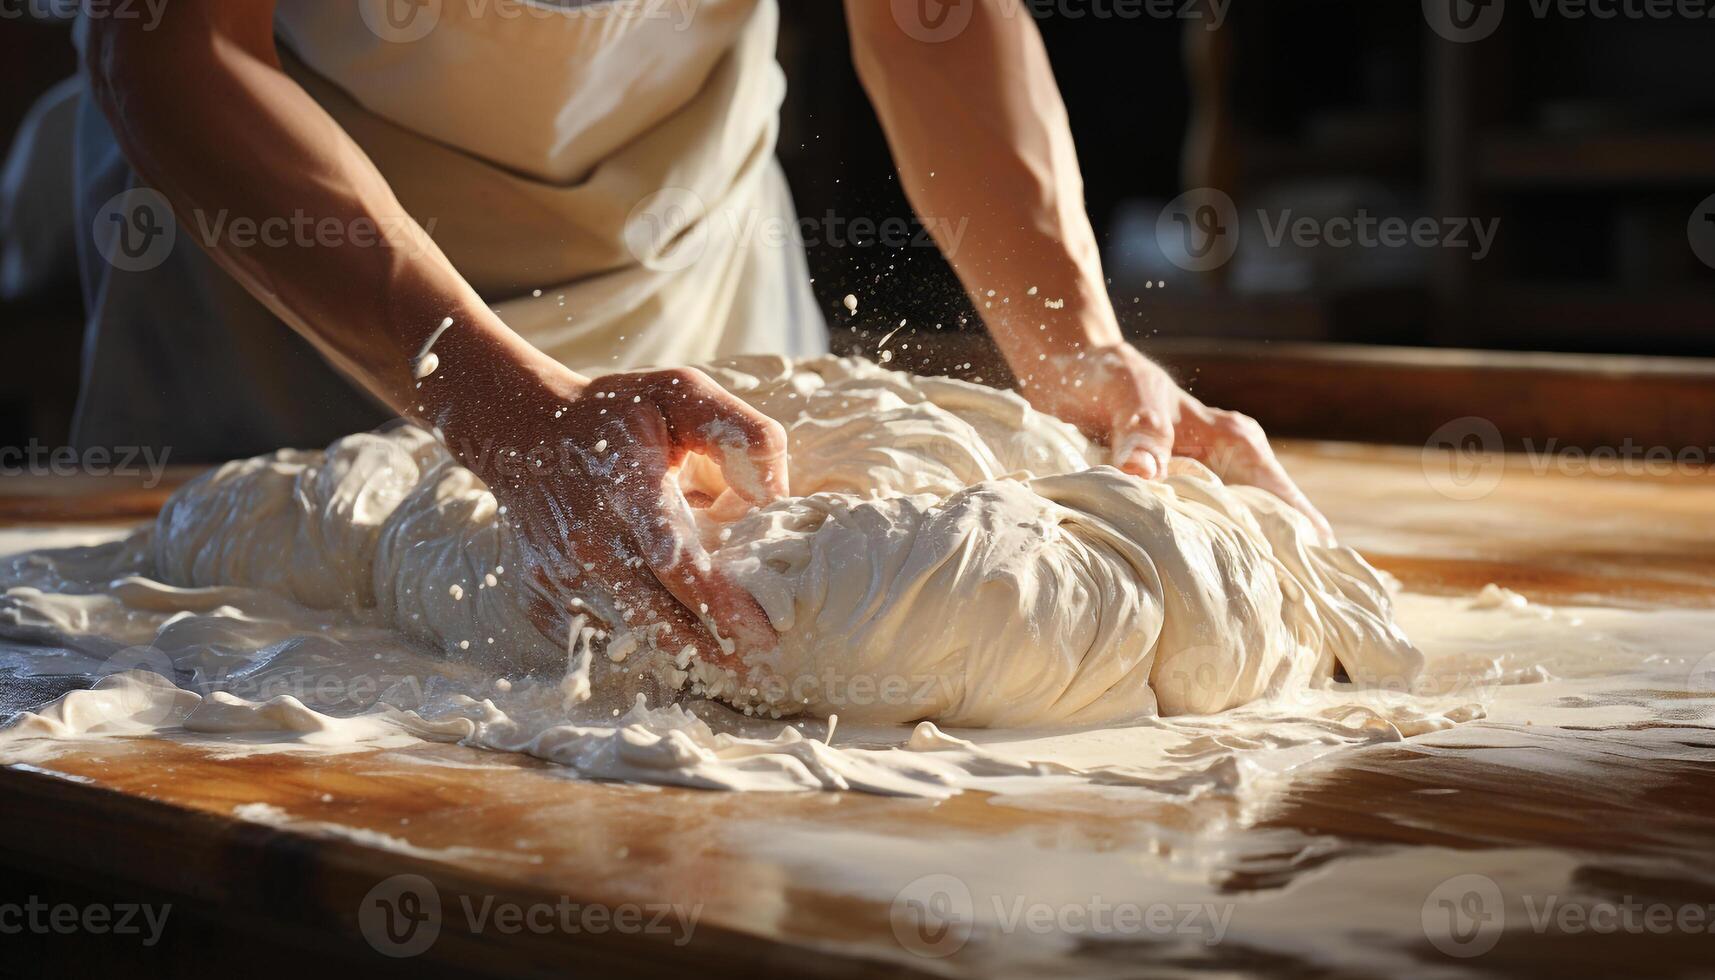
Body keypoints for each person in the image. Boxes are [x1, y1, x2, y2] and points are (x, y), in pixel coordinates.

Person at [67, 0, 1327, 668]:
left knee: (719, 709)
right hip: (298, 266)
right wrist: (499, 403)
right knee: (220, 678)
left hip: (683, 238)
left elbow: (930, 18)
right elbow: (173, 44)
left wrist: (1076, 342)